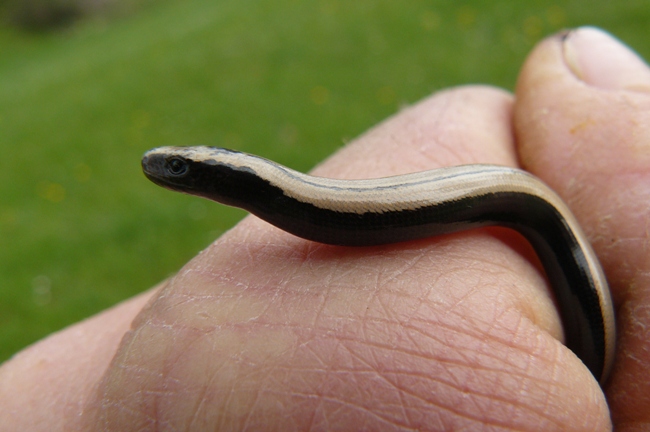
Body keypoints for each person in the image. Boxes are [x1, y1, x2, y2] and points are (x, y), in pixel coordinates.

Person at [1, 27, 649, 431]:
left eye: (184, 167)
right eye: (182, 167)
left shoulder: (283, 201)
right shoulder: (278, 207)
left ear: (228, 180)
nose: (168, 171)